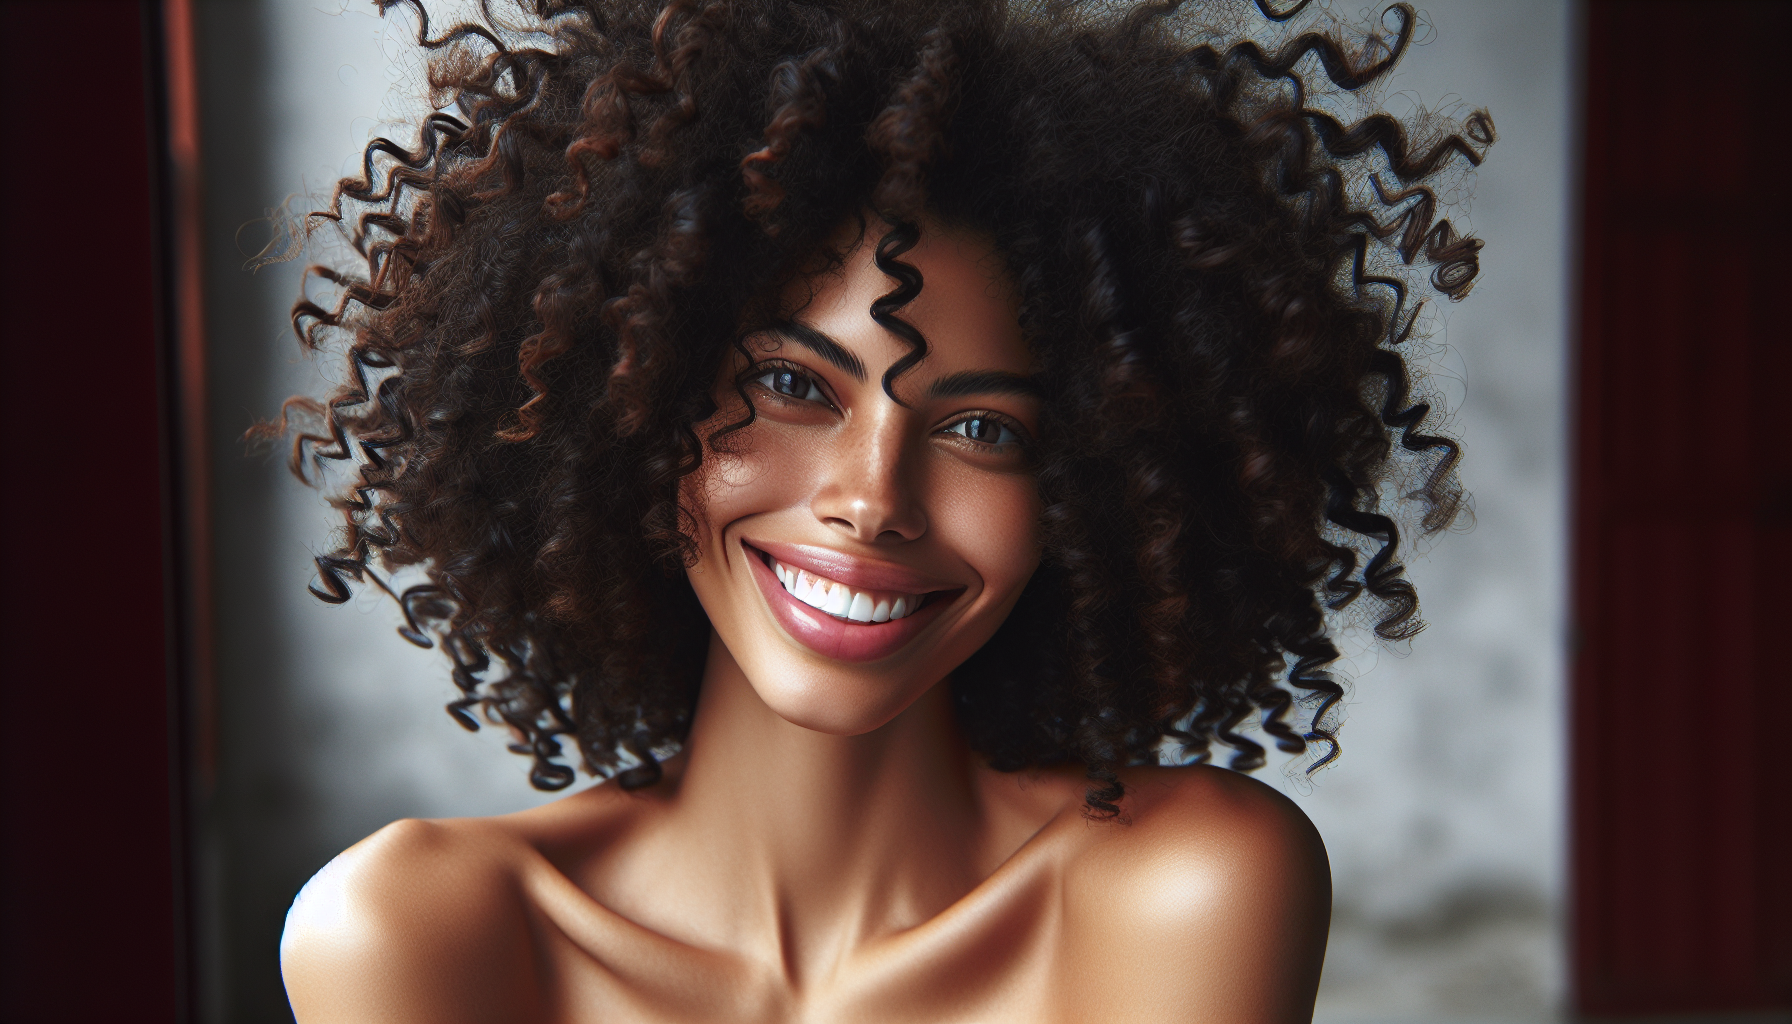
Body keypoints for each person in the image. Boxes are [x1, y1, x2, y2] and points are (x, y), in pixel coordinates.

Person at [273, 0, 1492, 1019]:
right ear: (627, 404)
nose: (872, 501)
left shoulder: (1189, 886)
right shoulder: (416, 933)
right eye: (794, 387)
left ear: (1092, 493)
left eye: (983, 429)